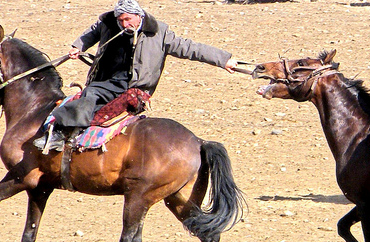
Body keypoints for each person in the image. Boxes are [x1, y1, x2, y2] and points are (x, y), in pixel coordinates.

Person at [36, 0, 238, 151]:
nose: (125, 24)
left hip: (133, 85)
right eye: (121, 20)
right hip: (107, 78)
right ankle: (61, 134)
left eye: (128, 19)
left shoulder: (159, 33)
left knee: (90, 95)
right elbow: (93, 32)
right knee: (89, 94)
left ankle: (61, 134)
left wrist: (223, 60)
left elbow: (190, 48)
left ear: (139, 16)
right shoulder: (108, 23)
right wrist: (77, 46)